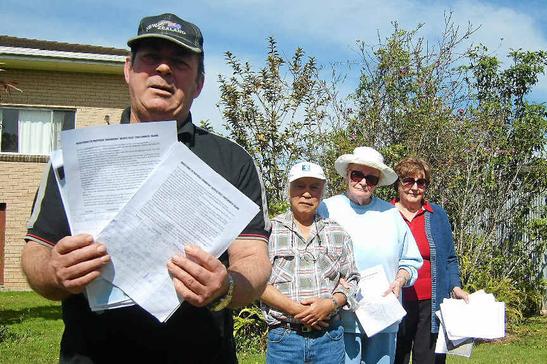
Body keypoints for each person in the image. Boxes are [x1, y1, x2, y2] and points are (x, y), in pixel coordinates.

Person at [20, 13, 271, 363]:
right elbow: (36, 252)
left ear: (199, 83)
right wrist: (54, 272)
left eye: (180, 62)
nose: (164, 70)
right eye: (151, 57)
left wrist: (227, 286)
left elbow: (254, 260)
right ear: (128, 69)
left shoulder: (232, 160)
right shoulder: (76, 157)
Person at [318, 146, 423, 364]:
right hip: (340, 317)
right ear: (347, 174)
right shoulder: (327, 209)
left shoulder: (391, 214)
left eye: (371, 178)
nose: (363, 182)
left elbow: (411, 260)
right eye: (357, 175)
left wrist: (400, 280)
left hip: (382, 317)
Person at [261, 161, 360, 364]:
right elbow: (257, 283)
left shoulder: (337, 232)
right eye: (300, 186)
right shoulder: (269, 231)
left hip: (329, 339)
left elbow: (352, 280)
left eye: (314, 187)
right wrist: (295, 310)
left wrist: (329, 304)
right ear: (288, 189)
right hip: (284, 340)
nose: (307, 193)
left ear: (322, 192)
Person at [391, 157, 469, 364]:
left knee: (428, 359)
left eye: (421, 182)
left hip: (431, 302)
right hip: (395, 300)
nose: (414, 187)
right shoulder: (385, 214)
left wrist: (456, 287)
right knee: (394, 356)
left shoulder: (437, 215)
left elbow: (450, 258)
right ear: (398, 183)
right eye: (408, 181)